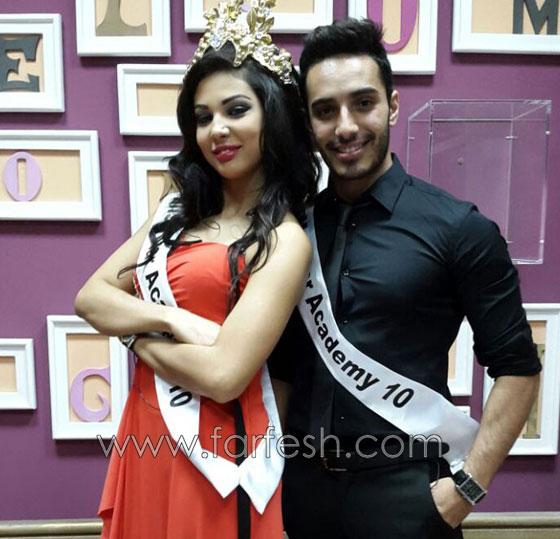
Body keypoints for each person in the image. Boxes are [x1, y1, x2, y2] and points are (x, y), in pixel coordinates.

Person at [267, 18, 542, 539]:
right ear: (308, 122)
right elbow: (281, 369)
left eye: (363, 103)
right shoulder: (290, 231)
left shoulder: (459, 227)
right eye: (325, 111)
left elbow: (518, 369)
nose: (345, 126)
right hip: (300, 498)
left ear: (392, 105)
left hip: (410, 499)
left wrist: (467, 488)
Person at [74, 1, 318, 538]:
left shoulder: (284, 239)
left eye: (236, 110)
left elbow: (224, 377)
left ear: (272, 116)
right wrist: (175, 321)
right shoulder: (176, 210)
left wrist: (133, 337)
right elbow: (91, 299)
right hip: (147, 428)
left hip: (220, 453)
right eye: (203, 117)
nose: (217, 130)